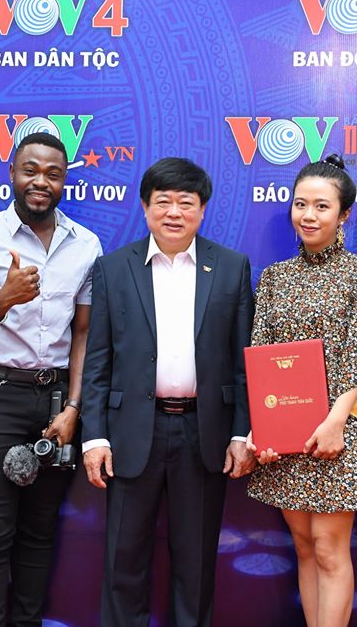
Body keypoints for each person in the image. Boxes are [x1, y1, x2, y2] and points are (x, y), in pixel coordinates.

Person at [81, 157, 256, 627]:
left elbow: (243, 360)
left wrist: (241, 432)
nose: (174, 212)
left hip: (205, 433)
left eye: (186, 202)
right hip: (130, 432)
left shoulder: (231, 267)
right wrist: (94, 436)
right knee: (123, 561)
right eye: (163, 202)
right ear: (145, 207)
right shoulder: (113, 269)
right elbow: (98, 360)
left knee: (195, 565)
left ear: (202, 209)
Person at [0, 132, 102, 627]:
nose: (41, 181)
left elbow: (84, 334)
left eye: (53, 174)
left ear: (64, 182)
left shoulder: (86, 245)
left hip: (56, 400)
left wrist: (74, 407)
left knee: (39, 534)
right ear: (12, 174)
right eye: (30, 170)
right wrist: (3, 300)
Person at [246, 155, 357, 627]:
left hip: (340, 432)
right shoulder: (275, 277)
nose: (309, 215)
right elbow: (262, 356)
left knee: (331, 549)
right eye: (301, 204)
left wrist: (336, 422)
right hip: (286, 434)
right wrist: (262, 430)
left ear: (344, 214)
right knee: (304, 547)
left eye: (322, 206)